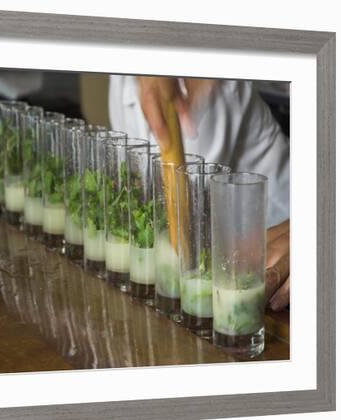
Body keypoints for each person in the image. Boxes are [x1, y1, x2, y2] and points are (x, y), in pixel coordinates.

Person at [108, 76, 290, 310]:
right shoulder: (122, 77)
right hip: (224, 272)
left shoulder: (204, 85)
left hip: (279, 250)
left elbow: (186, 222)